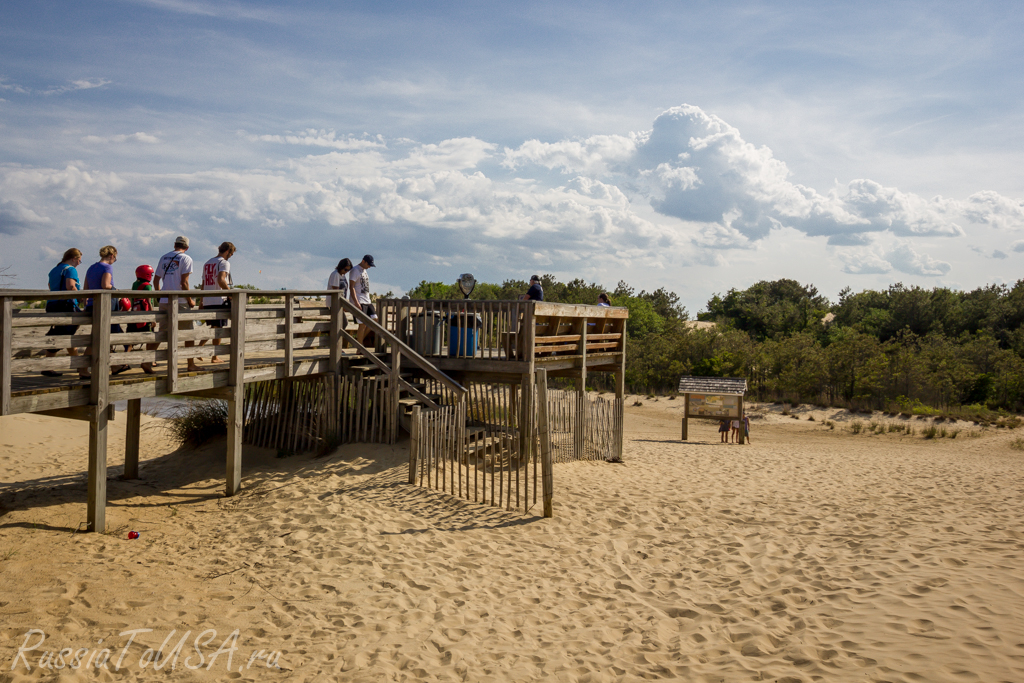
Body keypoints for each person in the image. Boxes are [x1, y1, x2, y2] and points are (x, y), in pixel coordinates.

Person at [153, 236, 200, 373]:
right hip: (180, 301)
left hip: (164, 301)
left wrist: (159, 295)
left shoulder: (164, 257)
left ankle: (147, 360)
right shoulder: (186, 259)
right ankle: (190, 364)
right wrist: (190, 299)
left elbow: (156, 281)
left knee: (162, 333)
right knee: (189, 333)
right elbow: (184, 283)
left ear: (175, 245)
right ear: (187, 247)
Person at [83, 245, 130, 377]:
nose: (114, 261)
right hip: (104, 306)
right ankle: (82, 368)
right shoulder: (107, 267)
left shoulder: (91, 268)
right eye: (115, 258)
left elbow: (86, 288)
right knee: (99, 338)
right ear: (111, 256)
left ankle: (114, 366)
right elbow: (105, 285)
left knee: (100, 337)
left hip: (92, 304)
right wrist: (116, 290)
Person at [41, 248, 87, 378]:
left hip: (52, 304)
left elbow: (50, 286)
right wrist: (81, 298)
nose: (79, 263)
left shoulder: (54, 270)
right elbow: (70, 286)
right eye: (79, 260)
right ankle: (50, 366)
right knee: (63, 336)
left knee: (65, 335)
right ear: (73, 258)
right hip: (66, 306)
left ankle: (78, 366)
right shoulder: (70, 270)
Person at [199, 241, 235, 364]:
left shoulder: (208, 263)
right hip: (219, 300)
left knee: (213, 327)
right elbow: (221, 280)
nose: (231, 256)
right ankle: (215, 356)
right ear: (227, 251)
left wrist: (201, 300)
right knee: (218, 329)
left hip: (208, 299)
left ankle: (199, 349)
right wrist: (230, 294)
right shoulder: (224, 263)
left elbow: (203, 284)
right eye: (231, 253)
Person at [129, 265, 156, 374]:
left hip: (135, 313)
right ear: (148, 275)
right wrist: (153, 318)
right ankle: (148, 361)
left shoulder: (135, 284)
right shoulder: (147, 286)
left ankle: (123, 361)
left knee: (131, 339)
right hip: (145, 315)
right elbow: (149, 302)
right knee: (150, 339)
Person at [349, 254, 376, 346]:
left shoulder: (364, 271)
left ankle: (358, 341)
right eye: (368, 265)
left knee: (375, 320)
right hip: (359, 300)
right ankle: (359, 348)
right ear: (363, 261)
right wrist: (356, 302)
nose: (369, 267)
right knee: (362, 324)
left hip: (367, 300)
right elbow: (351, 287)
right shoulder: (355, 270)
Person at [329, 258, 353, 330]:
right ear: (341, 267)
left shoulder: (342, 275)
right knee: (343, 323)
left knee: (341, 323)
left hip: (340, 303)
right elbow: (336, 291)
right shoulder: (335, 274)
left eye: (348, 270)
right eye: (345, 269)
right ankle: (334, 340)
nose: (346, 272)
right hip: (335, 303)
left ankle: (336, 340)